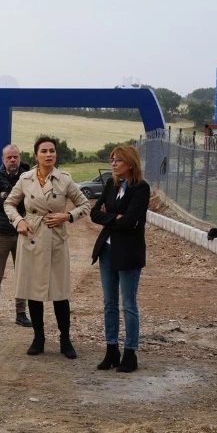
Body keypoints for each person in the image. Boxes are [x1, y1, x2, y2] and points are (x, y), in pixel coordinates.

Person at [4, 136, 91, 358]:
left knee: (60, 293)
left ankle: (65, 339)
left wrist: (67, 216)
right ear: (36, 155)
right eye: (44, 151)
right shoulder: (25, 179)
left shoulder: (65, 180)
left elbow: (84, 204)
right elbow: (9, 203)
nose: (48, 154)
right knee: (34, 291)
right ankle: (38, 338)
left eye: (52, 150)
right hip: (32, 236)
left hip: (56, 239)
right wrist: (19, 221)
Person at [91, 144, 150, 373]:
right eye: (112, 160)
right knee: (109, 303)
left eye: (118, 160)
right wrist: (116, 217)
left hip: (128, 252)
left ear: (130, 163)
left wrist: (111, 217)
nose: (113, 164)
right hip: (107, 250)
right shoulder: (110, 184)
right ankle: (111, 349)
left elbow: (131, 220)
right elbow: (94, 213)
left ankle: (130, 353)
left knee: (128, 304)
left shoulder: (141, 188)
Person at [0, 144, 33, 328]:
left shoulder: (28, 177)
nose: (13, 160)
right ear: (3, 159)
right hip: (0, 233)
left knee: (22, 275)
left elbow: (29, 202)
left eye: (15, 157)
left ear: (19, 158)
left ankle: (21, 313)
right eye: (9, 157)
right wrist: (16, 196)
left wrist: (5, 194)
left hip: (22, 232)